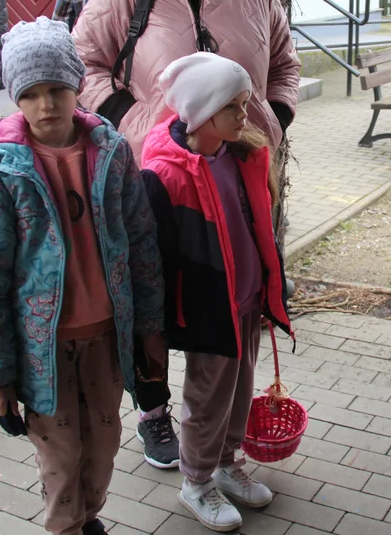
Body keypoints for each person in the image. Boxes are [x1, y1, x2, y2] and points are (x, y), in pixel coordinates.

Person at [74, 0, 301, 469]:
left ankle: (222, 428)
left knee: (234, 293)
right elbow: (84, 64)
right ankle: (152, 410)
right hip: (159, 181)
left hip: (241, 176)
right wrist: (128, 117)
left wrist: (274, 116)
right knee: (151, 298)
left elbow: (285, 63)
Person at [0, 17, 166, 535]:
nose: (46, 105)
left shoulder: (112, 154)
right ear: (15, 97)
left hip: (105, 337)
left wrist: (151, 329)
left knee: (104, 440)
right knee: (61, 454)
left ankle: (88, 517)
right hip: (39, 350)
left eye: (57, 89)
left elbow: (142, 246)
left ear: (77, 87)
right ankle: (65, 527)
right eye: (30, 94)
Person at [139, 53, 292, 532]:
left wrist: (270, 286)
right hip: (208, 308)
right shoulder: (167, 174)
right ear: (204, 111)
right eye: (236, 107)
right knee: (207, 400)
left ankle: (227, 463)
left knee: (241, 392)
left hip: (245, 300)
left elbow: (258, 227)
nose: (246, 116)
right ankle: (196, 481)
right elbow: (156, 256)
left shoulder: (239, 154)